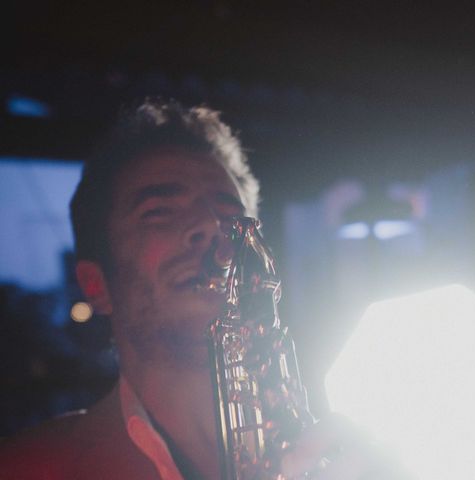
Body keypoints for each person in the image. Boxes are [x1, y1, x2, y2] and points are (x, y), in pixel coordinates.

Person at [0, 100, 386, 480]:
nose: (210, 225)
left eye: (232, 215)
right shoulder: (25, 469)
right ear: (96, 285)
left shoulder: (348, 451)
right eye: (160, 212)